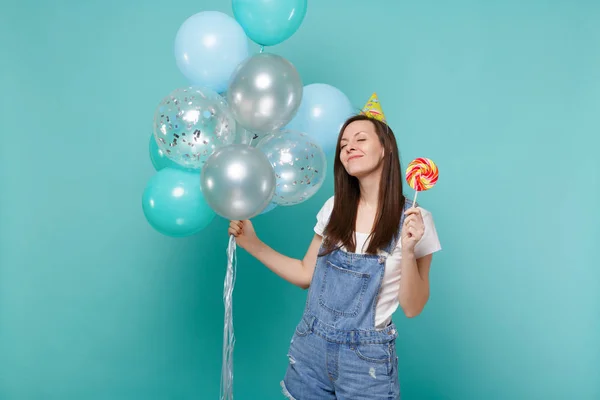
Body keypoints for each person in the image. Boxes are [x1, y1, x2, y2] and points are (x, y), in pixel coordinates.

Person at [228, 93, 441, 399]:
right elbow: (305, 274)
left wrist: (408, 250)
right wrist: (252, 243)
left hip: (366, 362)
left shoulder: (416, 220)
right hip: (310, 349)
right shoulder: (333, 208)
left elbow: (413, 306)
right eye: (343, 144)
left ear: (386, 149)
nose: (349, 147)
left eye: (360, 139)